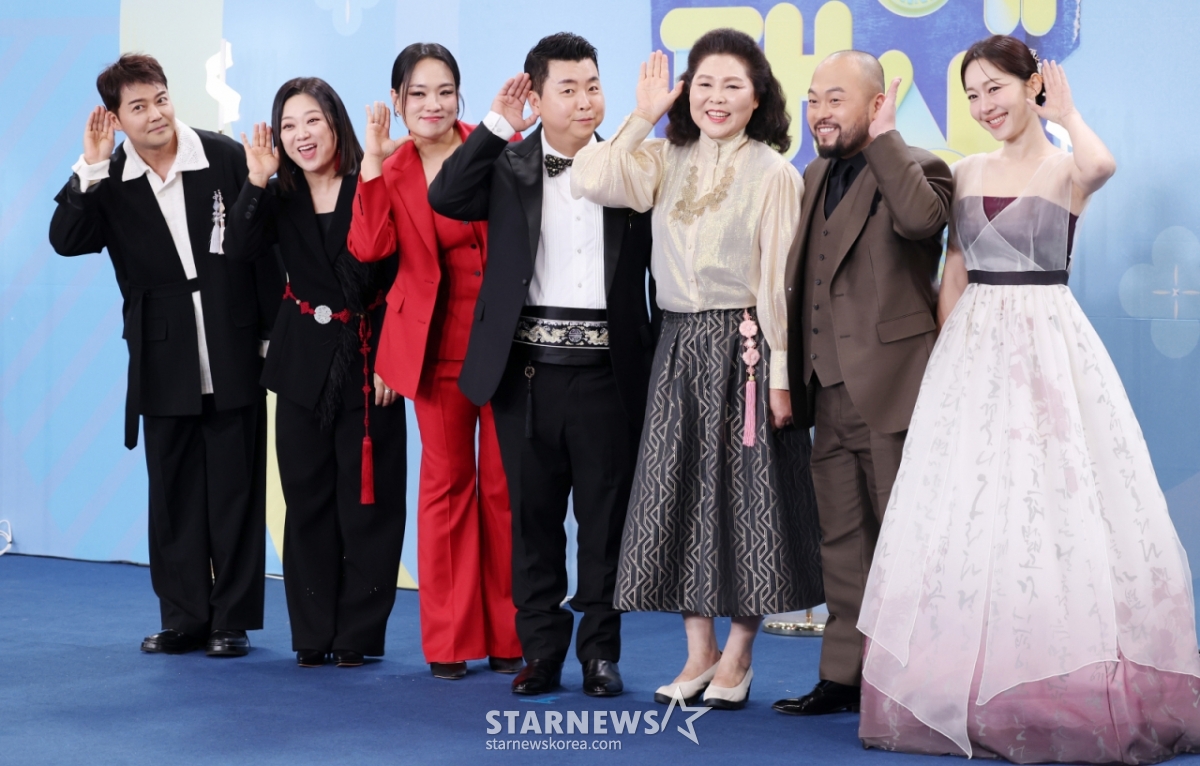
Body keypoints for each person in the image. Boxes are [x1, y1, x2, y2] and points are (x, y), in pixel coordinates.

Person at [856, 36, 1200, 763]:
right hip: (973, 347)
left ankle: (1055, 676)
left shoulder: (1065, 167)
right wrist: (947, 360)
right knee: (974, 508)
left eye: (996, 89)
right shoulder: (967, 170)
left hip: (1047, 343)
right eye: (972, 95)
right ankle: (972, 685)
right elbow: (954, 267)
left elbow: (1103, 165)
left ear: (1029, 86)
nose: (985, 106)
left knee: (1050, 500)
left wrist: (1065, 114)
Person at [572, 32, 823, 710]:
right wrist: (643, 114)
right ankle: (698, 653)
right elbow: (591, 178)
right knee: (679, 496)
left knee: (749, 501)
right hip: (677, 343)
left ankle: (739, 655)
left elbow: (779, 287)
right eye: (704, 84)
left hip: (746, 348)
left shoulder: (775, 173)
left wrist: (780, 378)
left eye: (733, 85)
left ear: (758, 97)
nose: (717, 98)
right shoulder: (664, 156)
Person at [428, 32, 656, 697]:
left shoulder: (631, 163)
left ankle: (601, 655)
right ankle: (540, 654)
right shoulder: (508, 164)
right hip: (525, 374)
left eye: (593, 86)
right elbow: (446, 197)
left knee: (605, 523)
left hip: (609, 374)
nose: (586, 101)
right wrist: (498, 125)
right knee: (531, 522)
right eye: (569, 88)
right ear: (537, 95)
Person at [48, 54, 281, 657]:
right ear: (116, 118)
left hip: (232, 336)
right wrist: (90, 166)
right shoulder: (109, 176)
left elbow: (263, 250)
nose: (155, 114)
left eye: (160, 99)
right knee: (173, 490)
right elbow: (66, 240)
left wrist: (267, 336)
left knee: (235, 488)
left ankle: (231, 621)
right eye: (138, 107)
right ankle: (184, 618)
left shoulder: (222, 155)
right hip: (161, 347)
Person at [772, 51, 953, 716]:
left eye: (836, 99)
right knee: (843, 542)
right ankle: (843, 676)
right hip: (827, 391)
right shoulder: (813, 173)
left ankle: (915, 680)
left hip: (894, 388)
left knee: (908, 542)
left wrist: (885, 139)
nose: (820, 112)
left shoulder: (920, 167)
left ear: (877, 104)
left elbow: (921, 223)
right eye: (813, 98)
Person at [347, 43, 522, 680]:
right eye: (418, 93)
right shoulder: (390, 168)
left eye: (445, 91)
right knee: (446, 489)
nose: (433, 105)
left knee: (504, 489)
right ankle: (448, 639)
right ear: (397, 101)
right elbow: (369, 247)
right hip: (433, 349)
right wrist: (371, 161)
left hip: (505, 344)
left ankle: (509, 634)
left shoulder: (498, 146)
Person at [222, 77, 407, 668]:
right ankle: (312, 631)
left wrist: (393, 357)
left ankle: (357, 634)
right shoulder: (277, 197)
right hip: (301, 362)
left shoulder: (372, 182)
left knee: (369, 504)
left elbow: (402, 278)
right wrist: (255, 179)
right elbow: (238, 250)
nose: (301, 136)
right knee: (306, 500)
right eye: (288, 126)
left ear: (335, 125)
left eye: (312, 122)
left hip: (368, 361)